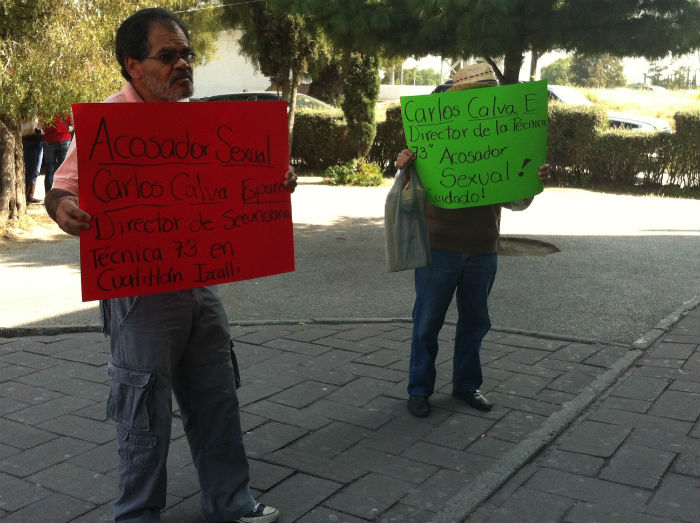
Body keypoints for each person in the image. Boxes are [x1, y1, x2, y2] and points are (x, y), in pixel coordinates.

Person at [45, 8, 296, 523]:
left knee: (217, 395)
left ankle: (231, 502)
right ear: (133, 65)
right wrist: (61, 208)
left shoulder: (202, 118)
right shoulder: (108, 121)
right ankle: (138, 514)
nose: (183, 64)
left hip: (201, 283)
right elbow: (62, 187)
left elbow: (239, 184)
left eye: (187, 55)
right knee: (143, 409)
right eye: (168, 56)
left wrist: (275, 180)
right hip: (139, 293)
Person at [395, 63, 551, 418]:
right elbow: (408, 198)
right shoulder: (432, 138)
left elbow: (517, 202)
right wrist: (405, 169)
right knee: (426, 323)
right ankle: (419, 390)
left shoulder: (502, 140)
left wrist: (531, 180)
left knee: (475, 323)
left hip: (482, 249)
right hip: (438, 248)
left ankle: (467, 386)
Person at [41, 113, 73, 194]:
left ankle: (48, 195)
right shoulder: (66, 107)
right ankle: (63, 195)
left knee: (49, 170)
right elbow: (72, 123)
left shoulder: (45, 107)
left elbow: (41, 125)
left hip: (49, 140)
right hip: (64, 139)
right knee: (64, 170)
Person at [20, 117, 44, 204]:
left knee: (36, 169)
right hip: (26, 138)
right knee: (30, 169)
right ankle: (26, 197)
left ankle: (30, 196)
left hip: (37, 138)